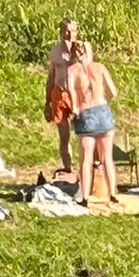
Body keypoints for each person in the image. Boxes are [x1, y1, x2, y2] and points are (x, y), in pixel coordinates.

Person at [66, 40, 118, 205]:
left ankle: (85, 197)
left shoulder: (72, 70)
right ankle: (113, 193)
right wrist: (104, 101)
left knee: (86, 159)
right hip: (103, 111)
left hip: (86, 113)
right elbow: (114, 92)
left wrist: (74, 114)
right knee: (107, 157)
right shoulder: (100, 67)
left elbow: (72, 96)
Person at [45, 17, 78, 173]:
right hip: (59, 93)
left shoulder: (82, 49)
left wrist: (75, 57)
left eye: (73, 31)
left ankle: (89, 168)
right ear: (60, 32)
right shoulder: (55, 52)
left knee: (84, 134)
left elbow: (88, 72)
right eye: (67, 31)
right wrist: (47, 102)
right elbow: (51, 76)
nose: (70, 34)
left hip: (77, 95)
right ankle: (68, 168)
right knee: (64, 136)